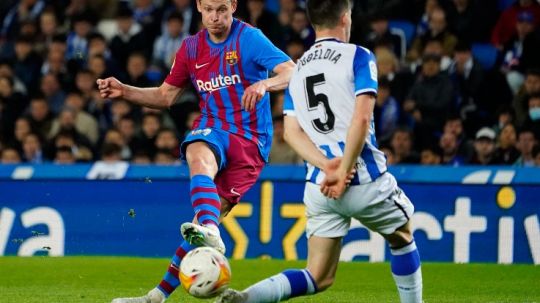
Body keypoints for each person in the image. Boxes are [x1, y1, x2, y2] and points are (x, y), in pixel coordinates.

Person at [216, 0, 423, 302]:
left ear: (313, 23)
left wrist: (327, 167)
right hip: (363, 178)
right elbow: (362, 119)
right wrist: (343, 169)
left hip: (319, 186)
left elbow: (291, 132)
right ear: (345, 18)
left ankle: (248, 297)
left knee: (318, 275)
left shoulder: (298, 68)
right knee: (403, 237)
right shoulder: (359, 56)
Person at [98, 1, 295, 302]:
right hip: (214, 128)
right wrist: (125, 90)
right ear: (199, 8)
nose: (215, 17)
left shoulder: (249, 38)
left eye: (222, 9)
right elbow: (166, 96)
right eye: (209, 10)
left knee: (199, 227)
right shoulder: (191, 48)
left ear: (233, 6)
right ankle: (194, 250)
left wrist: (265, 84)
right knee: (197, 150)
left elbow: (292, 71)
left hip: (252, 142)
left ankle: (159, 293)